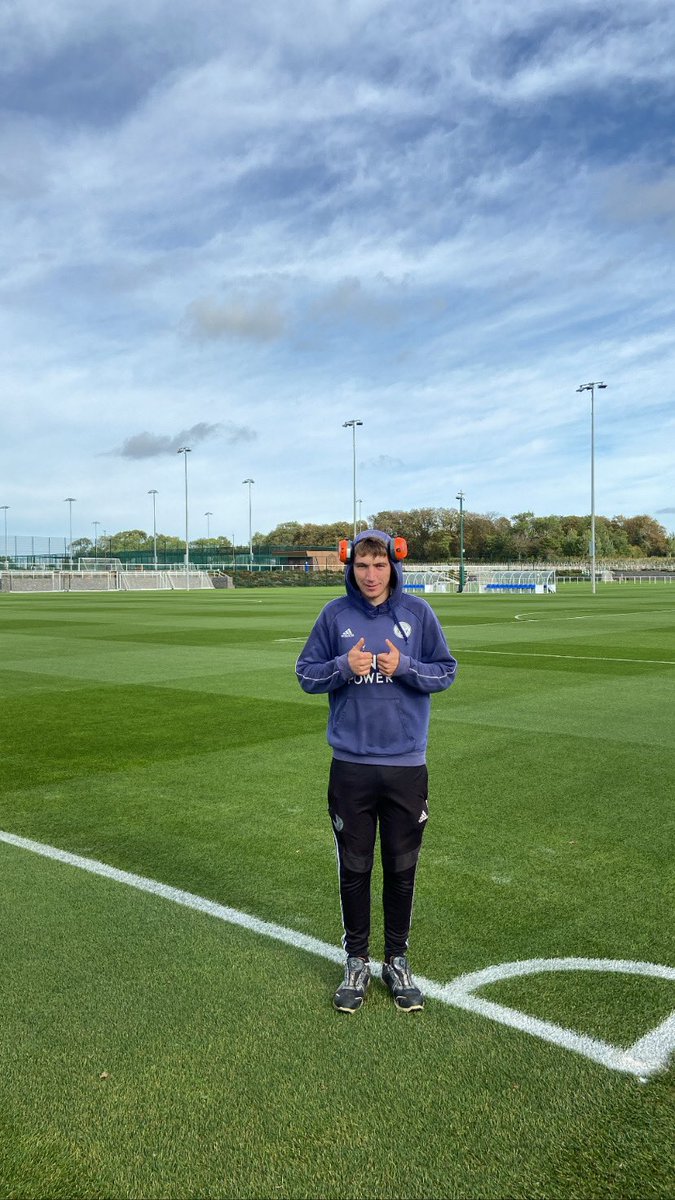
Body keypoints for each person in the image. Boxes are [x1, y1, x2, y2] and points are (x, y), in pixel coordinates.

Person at [295, 529, 457, 1013]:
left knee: (402, 868)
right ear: (350, 566)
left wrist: (404, 666)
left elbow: (446, 671)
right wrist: (344, 665)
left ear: (394, 565)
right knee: (355, 867)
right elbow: (306, 674)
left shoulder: (418, 614)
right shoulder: (334, 615)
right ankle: (357, 962)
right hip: (351, 767)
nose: (370, 575)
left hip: (406, 765)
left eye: (379, 565)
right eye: (362, 565)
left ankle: (397, 960)